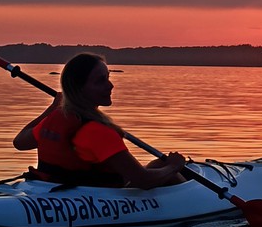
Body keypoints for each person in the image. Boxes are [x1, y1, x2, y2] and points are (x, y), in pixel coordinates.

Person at [13, 53, 186, 189]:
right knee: (169, 172)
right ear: (79, 88)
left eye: (108, 77)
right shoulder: (98, 131)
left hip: (56, 189)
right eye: (100, 81)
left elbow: (20, 141)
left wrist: (53, 108)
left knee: (158, 164)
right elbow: (142, 180)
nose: (110, 86)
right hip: (96, 197)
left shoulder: (56, 119)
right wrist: (174, 166)